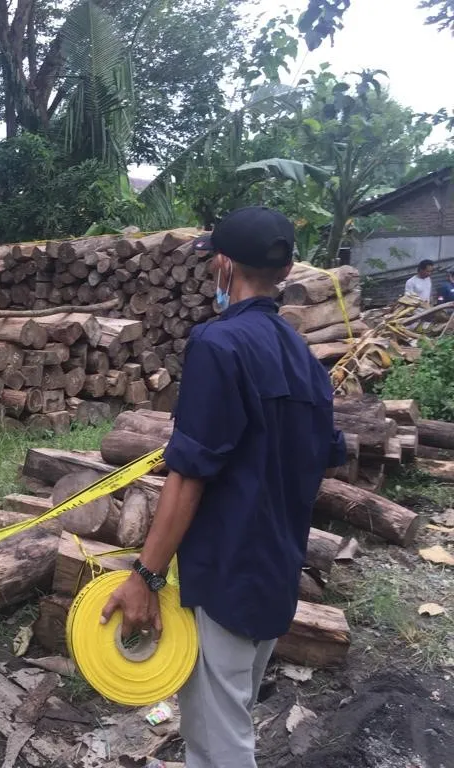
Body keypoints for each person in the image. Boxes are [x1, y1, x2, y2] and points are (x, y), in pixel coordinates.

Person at [100, 207, 347, 768]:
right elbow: (323, 457)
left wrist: (145, 576)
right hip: (276, 568)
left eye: (214, 260)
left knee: (218, 743)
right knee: (230, 714)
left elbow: (189, 475)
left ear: (224, 265)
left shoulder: (219, 344)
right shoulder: (304, 358)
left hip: (225, 571)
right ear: (285, 272)